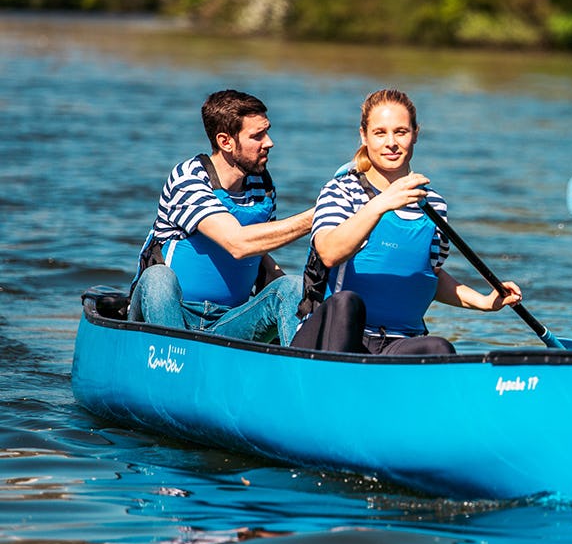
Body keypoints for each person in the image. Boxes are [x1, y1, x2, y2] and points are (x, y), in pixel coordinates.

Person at [291, 88, 522, 355]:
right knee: (346, 303)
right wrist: (382, 203)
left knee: (439, 347)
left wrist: (484, 301)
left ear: (415, 135)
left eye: (400, 132)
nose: (391, 142)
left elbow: (426, 275)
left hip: (398, 342)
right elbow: (329, 253)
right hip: (331, 336)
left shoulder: (434, 205)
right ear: (364, 136)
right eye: (380, 133)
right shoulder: (340, 191)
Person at [129, 90, 314, 345]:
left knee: (292, 287)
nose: (269, 142)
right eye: (257, 136)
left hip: (228, 322)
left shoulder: (262, 185)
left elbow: (257, 254)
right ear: (225, 142)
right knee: (158, 278)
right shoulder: (188, 178)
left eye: (267, 131)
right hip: (171, 312)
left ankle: (303, 373)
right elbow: (237, 244)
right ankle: (173, 361)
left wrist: (301, 302)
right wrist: (318, 216)